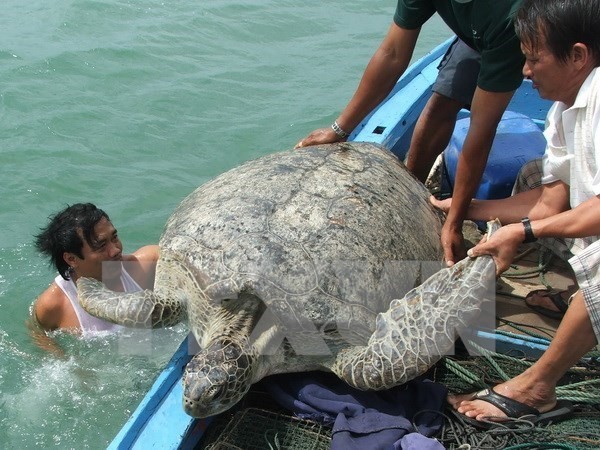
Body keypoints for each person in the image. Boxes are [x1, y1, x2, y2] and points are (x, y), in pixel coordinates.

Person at [431, 0, 600, 424]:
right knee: (533, 177)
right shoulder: (565, 107)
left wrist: (522, 234)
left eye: (533, 59)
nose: (525, 71)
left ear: (577, 56)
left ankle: (536, 388)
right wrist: (469, 209)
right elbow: (550, 200)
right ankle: (580, 300)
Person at [295, 0, 525, 267]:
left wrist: (454, 222)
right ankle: (413, 192)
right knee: (441, 102)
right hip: (474, 34)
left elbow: (481, 130)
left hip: (514, 31)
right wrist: (339, 128)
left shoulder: (508, 16)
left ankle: (447, 219)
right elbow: (392, 53)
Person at [31, 203, 159, 339]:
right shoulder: (54, 305)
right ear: (71, 259)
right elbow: (38, 334)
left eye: (114, 238)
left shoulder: (148, 264)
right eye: (101, 246)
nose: (115, 250)